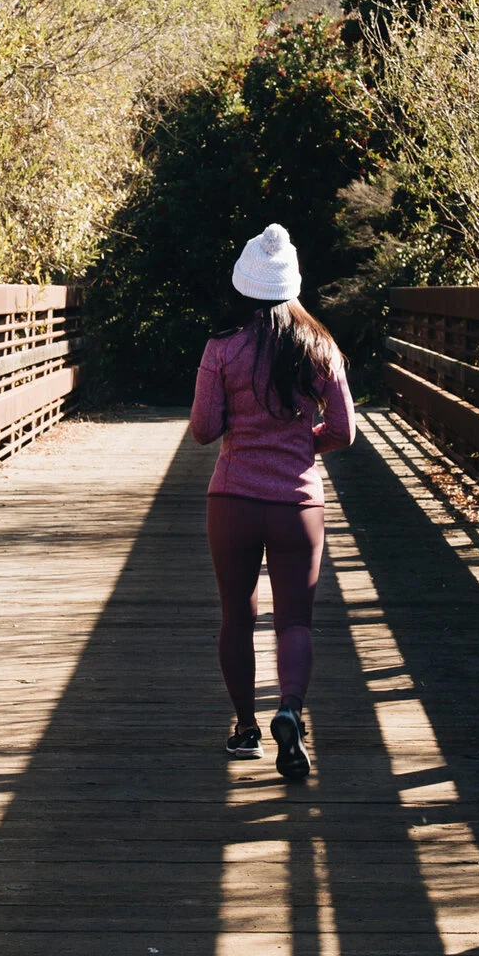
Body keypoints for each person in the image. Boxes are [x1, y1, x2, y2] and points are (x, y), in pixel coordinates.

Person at [188, 223, 359, 782]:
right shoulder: (320, 346)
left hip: (233, 496)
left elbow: (203, 430)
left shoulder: (221, 347)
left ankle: (245, 729)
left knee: (237, 616)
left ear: (244, 284)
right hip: (298, 502)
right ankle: (290, 709)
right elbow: (345, 430)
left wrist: (246, 430)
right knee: (296, 621)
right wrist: (300, 444)